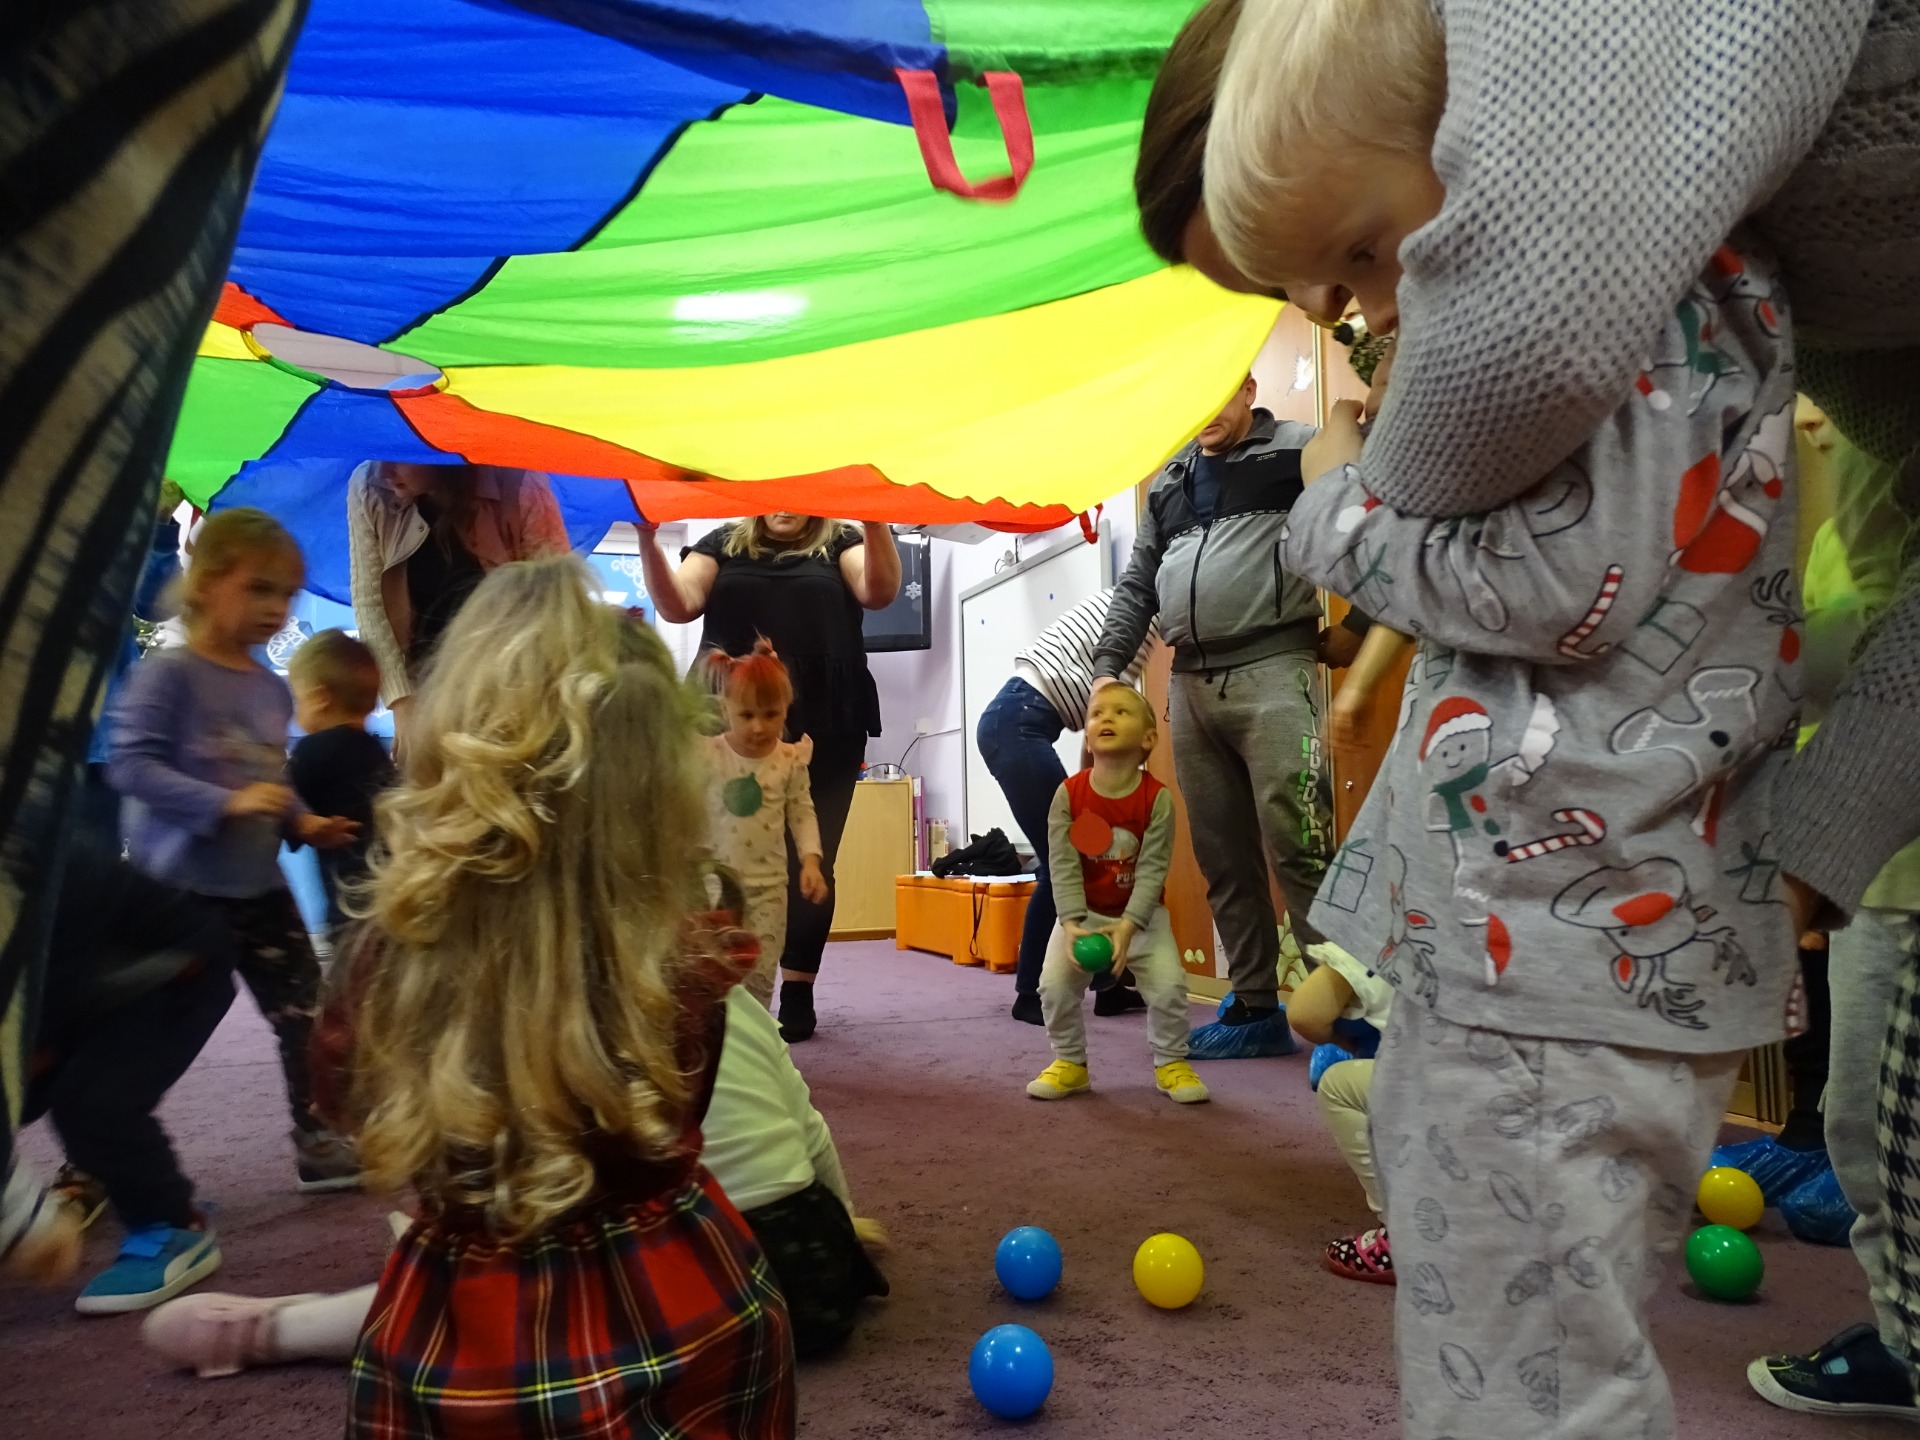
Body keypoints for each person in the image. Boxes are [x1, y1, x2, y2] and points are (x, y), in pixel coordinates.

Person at [1204, 5, 1802, 1434]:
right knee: (1544, 1349)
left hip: (1558, 968)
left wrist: (1331, 512)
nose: (1370, 305)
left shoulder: (1623, 298)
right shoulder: (1684, 281)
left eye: (1366, 254)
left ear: (1488, 143)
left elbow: (1553, 590)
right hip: (1584, 958)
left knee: (1525, 1391)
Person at [326, 558, 793, 1437]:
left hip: (466, 1347)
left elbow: (342, 1099)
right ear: (660, 797)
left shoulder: (385, 966)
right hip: (685, 1314)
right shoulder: (687, 964)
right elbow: (679, 1113)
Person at [145, 981, 890, 1376]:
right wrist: (841, 1229)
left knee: (481, 1300)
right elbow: (809, 1124)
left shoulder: (534, 1011)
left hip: (688, 1287)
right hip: (810, 1277)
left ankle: (275, 1332)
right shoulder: (719, 981)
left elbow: (541, 1194)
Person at [106, 508, 361, 1193]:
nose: (277, 608)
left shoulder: (271, 689)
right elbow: (131, 765)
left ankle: (320, 1140)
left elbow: (273, 778)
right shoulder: (170, 675)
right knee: (158, 1026)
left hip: (259, 888)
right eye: (259, 588)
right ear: (205, 584)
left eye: (287, 594)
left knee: (307, 1012)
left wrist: (304, 823)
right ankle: (100, 1146)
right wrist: (223, 803)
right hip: (180, 892)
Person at [1747, 431, 1920, 1420]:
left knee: (1885, 1130)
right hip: (1867, 844)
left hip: (1888, 844)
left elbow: (1853, 648)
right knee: (1862, 1124)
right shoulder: (1838, 478)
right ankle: (1901, 1340)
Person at [1091, 375, 1333, 1061]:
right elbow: (1138, 582)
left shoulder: (1300, 449)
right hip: (1191, 683)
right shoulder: (1170, 480)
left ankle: (1344, 1011)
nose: (1202, 412)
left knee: (1300, 844)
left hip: (1275, 667)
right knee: (1222, 854)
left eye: (1216, 391)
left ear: (1248, 387)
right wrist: (1109, 666)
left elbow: (1367, 529)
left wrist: (1362, 628)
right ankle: (1256, 1005)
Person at [640, 512, 901, 1042]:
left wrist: (875, 520)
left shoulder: (842, 540)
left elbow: (878, 592)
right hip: (723, 711)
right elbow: (678, 604)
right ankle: (713, 978)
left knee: (812, 855)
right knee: (712, 851)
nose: (784, 505)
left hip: (827, 713)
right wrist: (647, 537)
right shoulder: (721, 543)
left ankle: (797, 991)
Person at [30, 844, 236, 1313]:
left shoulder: (40, 868)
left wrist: (34, 1051)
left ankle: (174, 1228)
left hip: (174, 969)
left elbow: (50, 989)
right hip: (82, 982)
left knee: (94, 1104)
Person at [977, 590, 1160, 1026]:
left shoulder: (1128, 606)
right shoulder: (1138, 617)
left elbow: (1100, 725)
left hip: (1016, 721)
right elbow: (1106, 716)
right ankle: (1030, 994)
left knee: (1085, 852)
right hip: (1018, 722)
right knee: (1064, 864)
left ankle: (1108, 987)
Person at [1026, 685, 1209, 1105]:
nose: (1105, 718)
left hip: (1141, 917)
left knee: (1168, 988)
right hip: (1082, 914)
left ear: (1148, 737)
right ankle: (1070, 1063)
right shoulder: (1068, 795)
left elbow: (1152, 870)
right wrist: (1072, 923)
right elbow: (1063, 865)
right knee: (1053, 987)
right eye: (1097, 713)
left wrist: (1130, 925)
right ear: (1088, 739)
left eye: (1121, 712)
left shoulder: (1157, 799)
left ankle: (1171, 1062)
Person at [345, 462, 570, 749]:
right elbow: (370, 602)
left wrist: (526, 709)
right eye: (377, 454)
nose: (383, 472)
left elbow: (557, 602)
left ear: (440, 451)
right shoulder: (368, 485)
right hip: (426, 688)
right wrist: (402, 703)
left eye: (397, 456)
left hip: (512, 687)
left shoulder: (521, 483)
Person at [700, 642, 830, 1005]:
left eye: (771, 715)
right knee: (715, 971)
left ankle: (755, 1031)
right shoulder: (708, 755)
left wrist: (811, 861)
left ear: (786, 709)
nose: (758, 727)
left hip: (769, 890)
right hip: (716, 886)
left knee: (759, 973)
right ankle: (718, 1033)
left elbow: (802, 812)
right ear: (725, 709)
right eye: (746, 715)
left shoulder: (790, 760)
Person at [1286, 954, 1393, 1283]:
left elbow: (1304, 1014)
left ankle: (1404, 1233)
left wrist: (1342, 1041)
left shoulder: (1366, 944)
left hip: (1438, 1088)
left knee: (1338, 1084)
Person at [286, 630, 395, 937]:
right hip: (388, 890)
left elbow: (283, 808)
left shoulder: (313, 750)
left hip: (349, 903)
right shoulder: (374, 751)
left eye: (297, 699)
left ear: (320, 698)